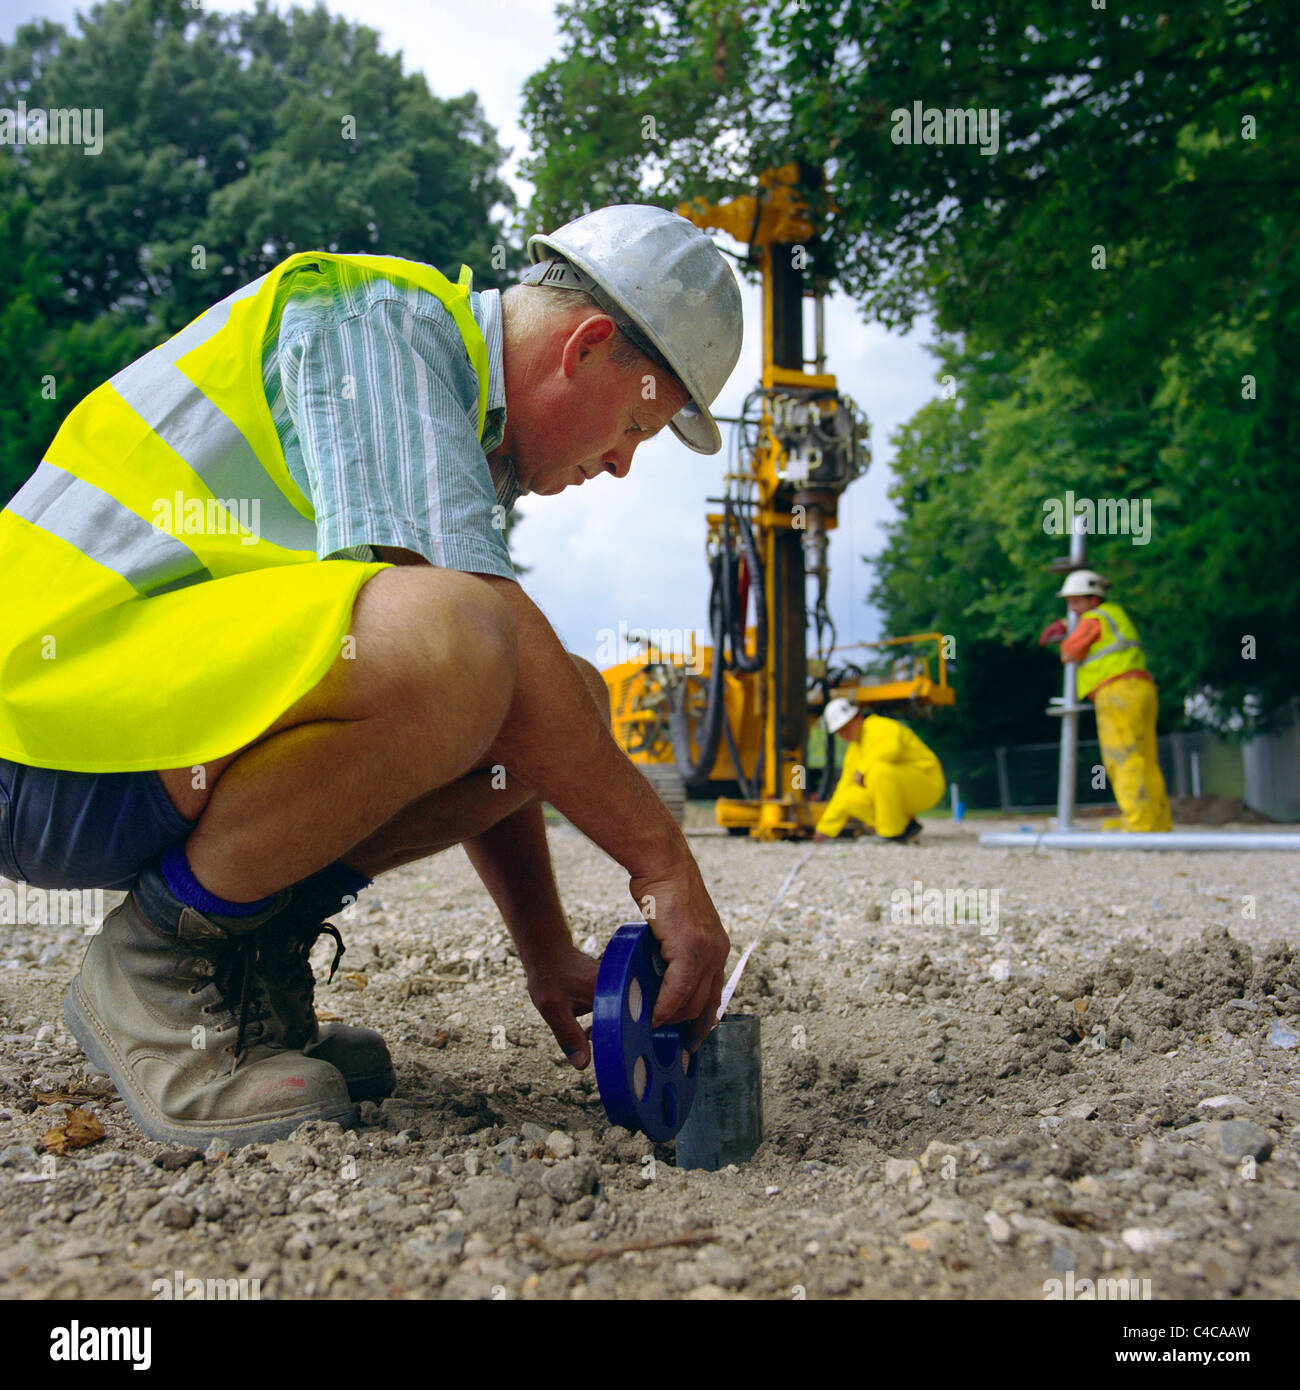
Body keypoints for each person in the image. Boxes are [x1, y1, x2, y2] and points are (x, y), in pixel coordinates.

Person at [0, 205, 742, 1146]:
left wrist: (547, 948)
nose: (625, 465)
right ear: (588, 345)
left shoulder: (454, 429)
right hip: (36, 732)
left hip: (124, 723)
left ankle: (243, 953)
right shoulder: (379, 324)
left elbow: (510, 709)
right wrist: (663, 866)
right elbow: (464, 649)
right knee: (469, 631)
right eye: (639, 421)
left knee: (563, 689)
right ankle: (156, 963)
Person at [1039, 569, 1172, 831]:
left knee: (1121, 757)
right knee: (1145, 758)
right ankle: (1156, 822)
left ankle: (1137, 824)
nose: (1072, 607)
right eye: (1069, 602)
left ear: (1093, 599)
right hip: (1141, 687)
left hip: (1117, 692)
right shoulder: (1114, 615)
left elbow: (1071, 651)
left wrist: (1065, 637)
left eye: (1076, 601)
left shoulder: (1093, 618)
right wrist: (1068, 626)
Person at [811, 699, 945, 843]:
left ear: (859, 718)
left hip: (927, 783)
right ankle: (905, 827)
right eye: (839, 731)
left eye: (846, 726)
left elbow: (892, 748)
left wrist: (863, 768)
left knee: (878, 772)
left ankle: (891, 833)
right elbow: (843, 790)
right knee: (848, 797)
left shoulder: (879, 725)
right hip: (903, 789)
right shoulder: (853, 751)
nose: (844, 733)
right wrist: (824, 829)